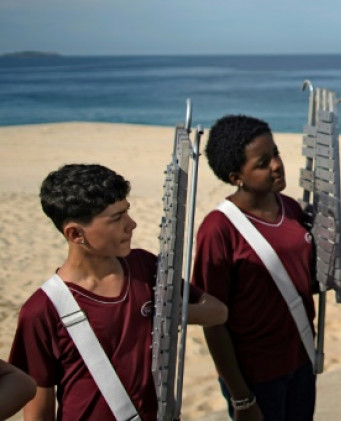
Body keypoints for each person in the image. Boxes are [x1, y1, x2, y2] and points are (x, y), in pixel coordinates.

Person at [8, 164, 227, 421]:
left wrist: (170, 313)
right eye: (116, 218)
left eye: (127, 212)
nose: (131, 224)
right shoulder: (42, 310)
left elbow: (218, 312)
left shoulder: (145, 266)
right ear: (76, 233)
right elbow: (37, 407)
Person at [193, 115, 316, 421]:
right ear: (237, 177)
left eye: (276, 153)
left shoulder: (290, 208)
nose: (276, 165)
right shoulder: (217, 229)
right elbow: (213, 322)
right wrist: (242, 398)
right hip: (257, 375)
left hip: (301, 358)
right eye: (263, 163)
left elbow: (303, 279)